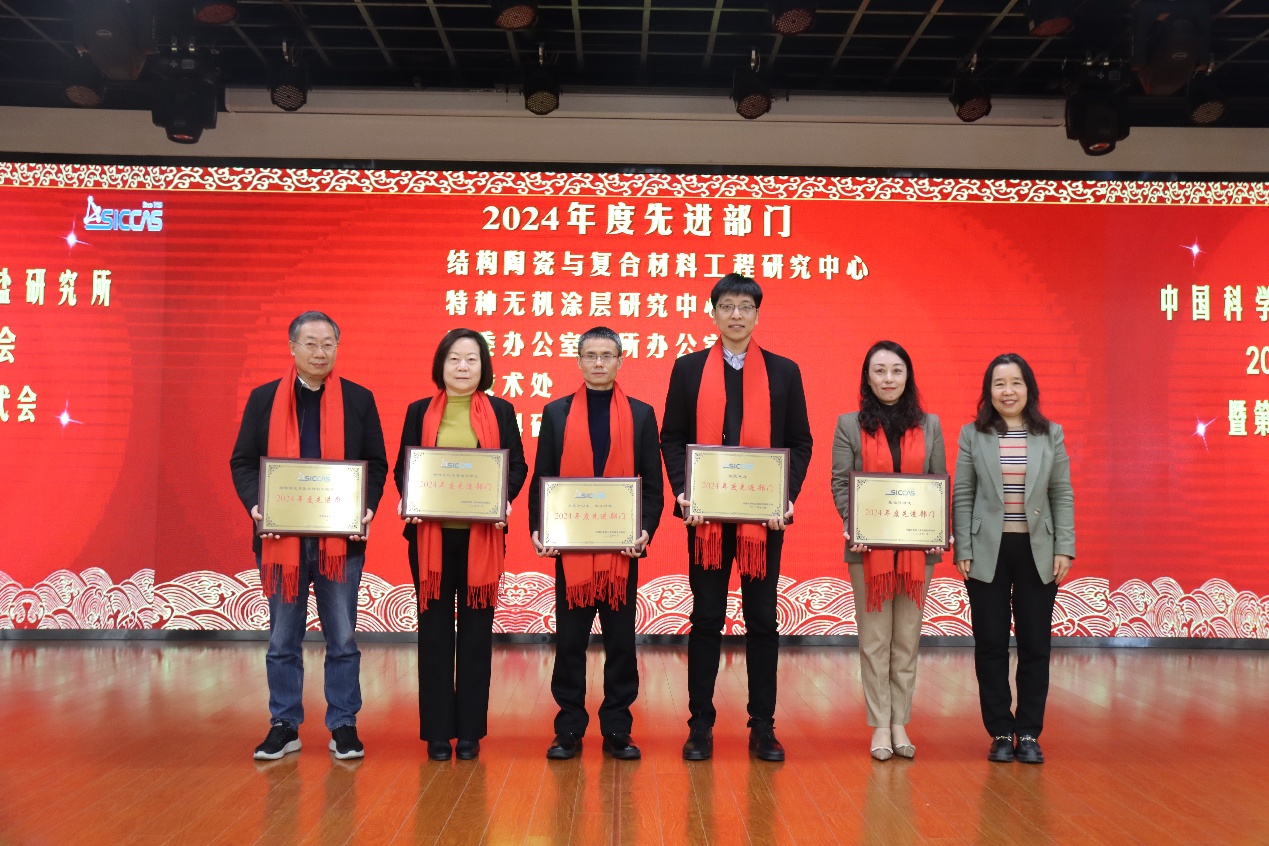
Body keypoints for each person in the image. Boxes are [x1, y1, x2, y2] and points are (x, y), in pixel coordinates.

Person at [660, 273, 813, 762]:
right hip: (705, 519)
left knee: (762, 620)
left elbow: (800, 442)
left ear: (757, 315)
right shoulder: (688, 370)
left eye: (745, 306)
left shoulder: (784, 372)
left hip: (761, 522)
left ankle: (763, 726)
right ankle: (700, 724)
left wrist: (784, 496)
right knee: (706, 618)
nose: (736, 315)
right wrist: (683, 492)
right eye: (726, 305)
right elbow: (672, 437)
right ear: (713, 313)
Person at [230, 310, 388, 761]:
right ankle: (284, 724)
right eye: (311, 343)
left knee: (343, 639)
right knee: (283, 639)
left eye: (328, 344)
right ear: (292, 347)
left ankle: (344, 724)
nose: (320, 352)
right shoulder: (264, 399)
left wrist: (367, 505)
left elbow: (376, 463)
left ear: (337, 348)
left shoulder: (358, 399)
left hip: (340, 543)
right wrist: (256, 505)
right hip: (282, 541)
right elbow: (243, 461)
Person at [528, 327, 664, 761]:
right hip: (572, 550)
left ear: (621, 360)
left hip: (621, 551)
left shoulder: (641, 414)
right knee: (570, 642)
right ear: (579, 361)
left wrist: (645, 529)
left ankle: (618, 728)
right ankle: (568, 728)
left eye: (607, 355)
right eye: (591, 355)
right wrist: (539, 527)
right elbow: (543, 477)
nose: (599, 362)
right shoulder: (556, 413)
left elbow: (652, 485)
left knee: (621, 643)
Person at [394, 328, 527, 762]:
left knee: (475, 634)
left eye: (471, 359)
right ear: (441, 365)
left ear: (483, 366)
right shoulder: (419, 411)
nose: (463, 367)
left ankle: (469, 731)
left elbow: (516, 465)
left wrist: (501, 499)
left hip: (481, 538)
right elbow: (403, 467)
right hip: (430, 539)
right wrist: (410, 498)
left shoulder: (501, 411)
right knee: (433, 633)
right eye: (454, 359)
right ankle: (437, 732)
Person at [953, 353, 1075, 765]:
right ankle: (1001, 731)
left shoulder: (1050, 434)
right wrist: (963, 547)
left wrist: (1064, 546)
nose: (1008, 391)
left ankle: (1028, 732)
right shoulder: (973, 434)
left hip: (1038, 551)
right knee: (990, 644)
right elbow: (963, 493)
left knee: (1035, 644)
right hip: (986, 550)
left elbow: (1062, 493)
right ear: (988, 391)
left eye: (1016, 382)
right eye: (999, 383)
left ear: (1029, 389)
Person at [830, 340, 947, 761]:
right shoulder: (849, 425)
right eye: (879, 370)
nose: (888, 378)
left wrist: (938, 528)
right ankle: (881, 723)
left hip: (917, 551)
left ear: (907, 376)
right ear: (867, 377)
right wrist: (853, 524)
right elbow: (841, 482)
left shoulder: (930, 425)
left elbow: (938, 480)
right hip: (868, 550)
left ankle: (901, 722)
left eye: (896, 370)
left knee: (907, 638)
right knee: (875, 639)